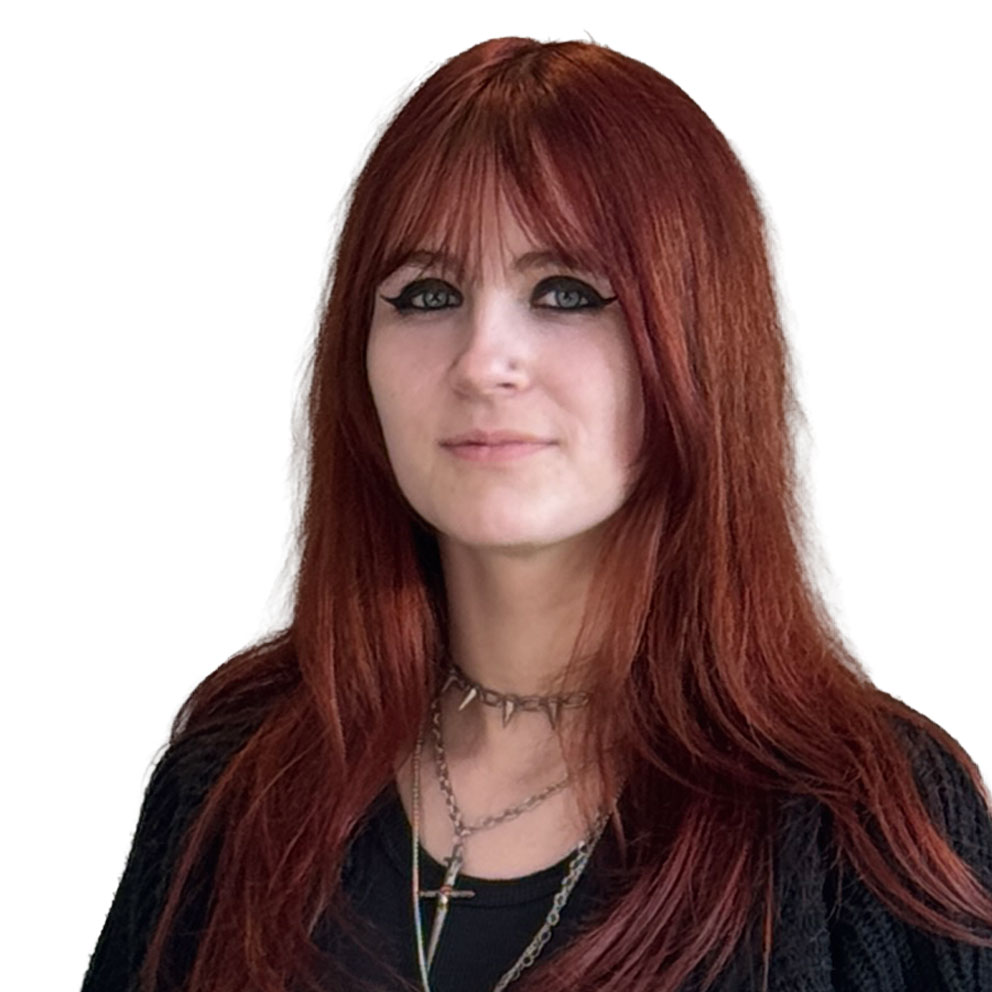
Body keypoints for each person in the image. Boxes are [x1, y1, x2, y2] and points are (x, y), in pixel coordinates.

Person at [82, 36, 992, 992]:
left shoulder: (875, 829)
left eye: (566, 294)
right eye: (427, 294)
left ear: (702, 345)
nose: (483, 361)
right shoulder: (232, 781)